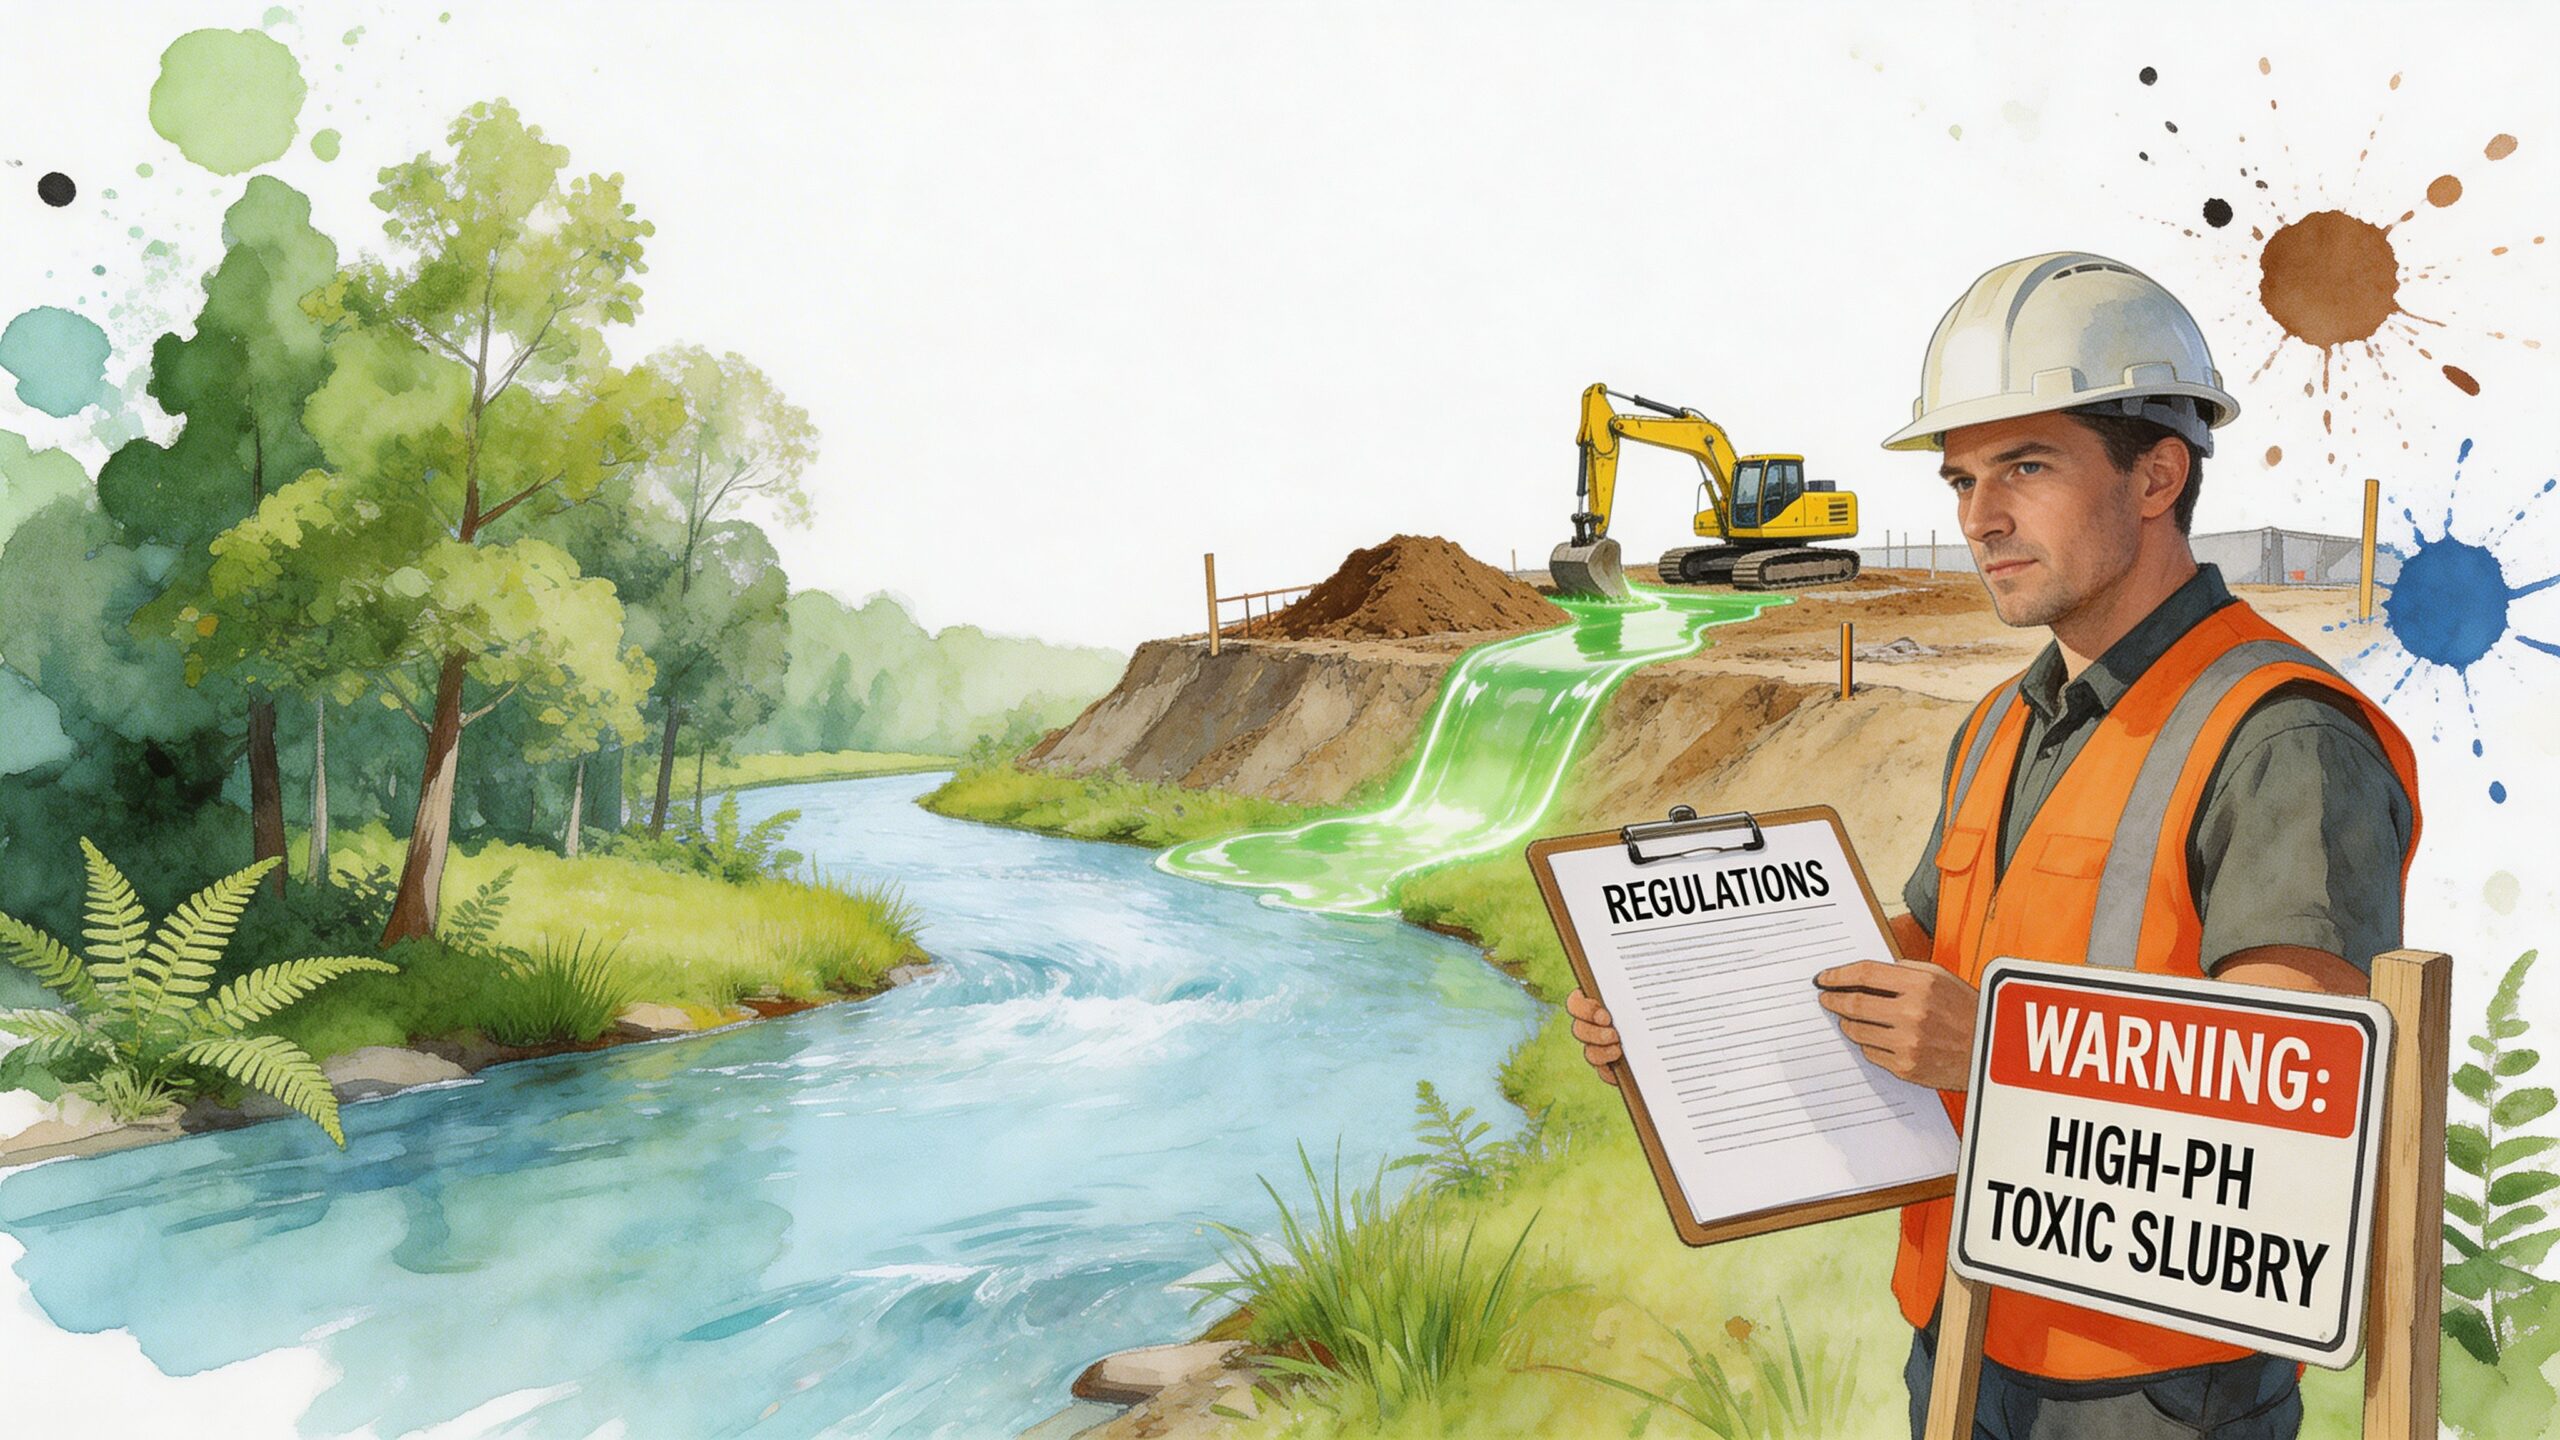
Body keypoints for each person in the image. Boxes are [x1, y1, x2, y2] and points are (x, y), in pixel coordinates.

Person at [1563, 251, 2422, 1440]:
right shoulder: (2000, 725)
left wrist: (1995, 1054)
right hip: (1962, 1334)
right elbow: (1913, 959)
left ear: (2157, 474)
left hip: (2151, 1382)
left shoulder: (2279, 739)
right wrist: (1675, 1024)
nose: (1979, 517)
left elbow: (2285, 1115)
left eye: (2026, 466)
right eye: (1964, 477)